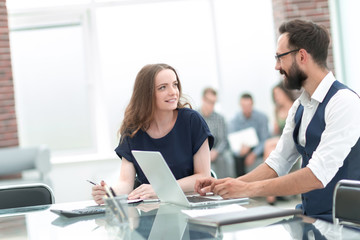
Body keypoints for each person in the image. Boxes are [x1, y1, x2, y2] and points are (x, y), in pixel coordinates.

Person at [194, 19, 360, 222]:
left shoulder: (344, 102)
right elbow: (278, 162)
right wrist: (228, 185)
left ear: (301, 56)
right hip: (312, 217)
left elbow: (317, 175)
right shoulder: (300, 106)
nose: (276, 66)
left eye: (280, 57)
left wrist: (246, 189)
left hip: (346, 223)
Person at [92, 63, 214, 204]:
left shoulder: (192, 121)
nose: (173, 92)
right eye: (163, 87)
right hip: (152, 208)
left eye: (175, 85)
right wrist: (109, 193)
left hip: (191, 205)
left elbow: (204, 177)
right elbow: (126, 183)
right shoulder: (133, 130)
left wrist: (161, 189)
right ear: (147, 94)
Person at [264, 81, 300, 205]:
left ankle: (270, 195)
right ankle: (271, 195)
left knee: (268, 145)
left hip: (291, 138)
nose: (276, 97)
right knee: (269, 147)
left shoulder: (294, 106)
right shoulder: (276, 110)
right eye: (274, 95)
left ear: (284, 93)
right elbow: (276, 131)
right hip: (280, 137)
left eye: (278, 94)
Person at [228, 93, 270, 176]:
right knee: (237, 158)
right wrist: (240, 150)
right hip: (242, 149)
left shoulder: (262, 117)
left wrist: (254, 154)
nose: (246, 109)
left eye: (248, 105)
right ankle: (240, 184)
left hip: (258, 148)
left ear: (252, 104)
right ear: (240, 105)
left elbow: (265, 139)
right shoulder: (234, 120)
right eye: (244, 106)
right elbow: (233, 141)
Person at [198, 87, 235, 178]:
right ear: (203, 100)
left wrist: (216, 151)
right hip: (199, 151)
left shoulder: (219, 118)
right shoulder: (194, 117)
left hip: (215, 151)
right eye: (209, 102)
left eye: (214, 102)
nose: (212, 105)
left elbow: (223, 140)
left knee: (224, 159)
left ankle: (223, 186)